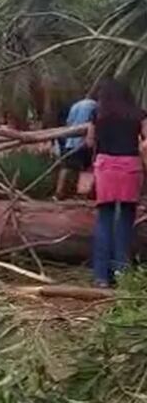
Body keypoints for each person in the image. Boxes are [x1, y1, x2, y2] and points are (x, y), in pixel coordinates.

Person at [86, 80, 147, 288]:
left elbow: (89, 142)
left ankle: (101, 276)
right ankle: (122, 273)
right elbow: (146, 142)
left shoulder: (98, 114)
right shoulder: (139, 114)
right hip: (130, 167)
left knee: (104, 219)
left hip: (105, 168)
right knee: (125, 220)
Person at [55, 93, 98, 199]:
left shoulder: (76, 105)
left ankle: (59, 192)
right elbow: (93, 122)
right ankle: (83, 193)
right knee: (86, 167)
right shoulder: (95, 106)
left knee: (66, 167)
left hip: (71, 140)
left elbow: (69, 122)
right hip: (84, 141)